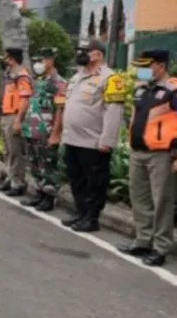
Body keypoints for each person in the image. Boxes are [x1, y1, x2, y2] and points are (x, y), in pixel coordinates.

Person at [116, 49, 177, 266]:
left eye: (146, 66)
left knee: (162, 200)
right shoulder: (140, 88)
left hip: (162, 154)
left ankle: (160, 247)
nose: (141, 71)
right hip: (138, 151)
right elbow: (135, 115)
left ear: (160, 66)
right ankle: (143, 240)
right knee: (140, 197)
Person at [62, 39, 124, 232]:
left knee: (95, 182)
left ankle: (92, 217)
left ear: (97, 54)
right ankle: (81, 213)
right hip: (72, 139)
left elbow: (113, 112)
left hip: (93, 142)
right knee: (76, 178)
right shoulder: (76, 77)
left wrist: (106, 141)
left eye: (85, 51)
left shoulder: (110, 79)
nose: (81, 54)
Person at [20, 48, 67, 211]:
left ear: (50, 61)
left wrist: (55, 134)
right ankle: (39, 194)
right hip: (32, 130)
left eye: (41, 60)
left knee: (49, 166)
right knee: (35, 164)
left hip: (46, 131)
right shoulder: (39, 81)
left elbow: (61, 110)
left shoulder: (59, 83)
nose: (37, 64)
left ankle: (49, 197)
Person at [0, 48, 33, 196]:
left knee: (15, 151)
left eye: (7, 58)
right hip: (5, 115)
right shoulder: (9, 75)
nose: (5, 61)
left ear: (12, 59)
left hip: (14, 116)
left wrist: (18, 120)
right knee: (7, 151)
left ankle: (17, 183)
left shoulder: (22, 76)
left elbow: (25, 100)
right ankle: (10, 178)